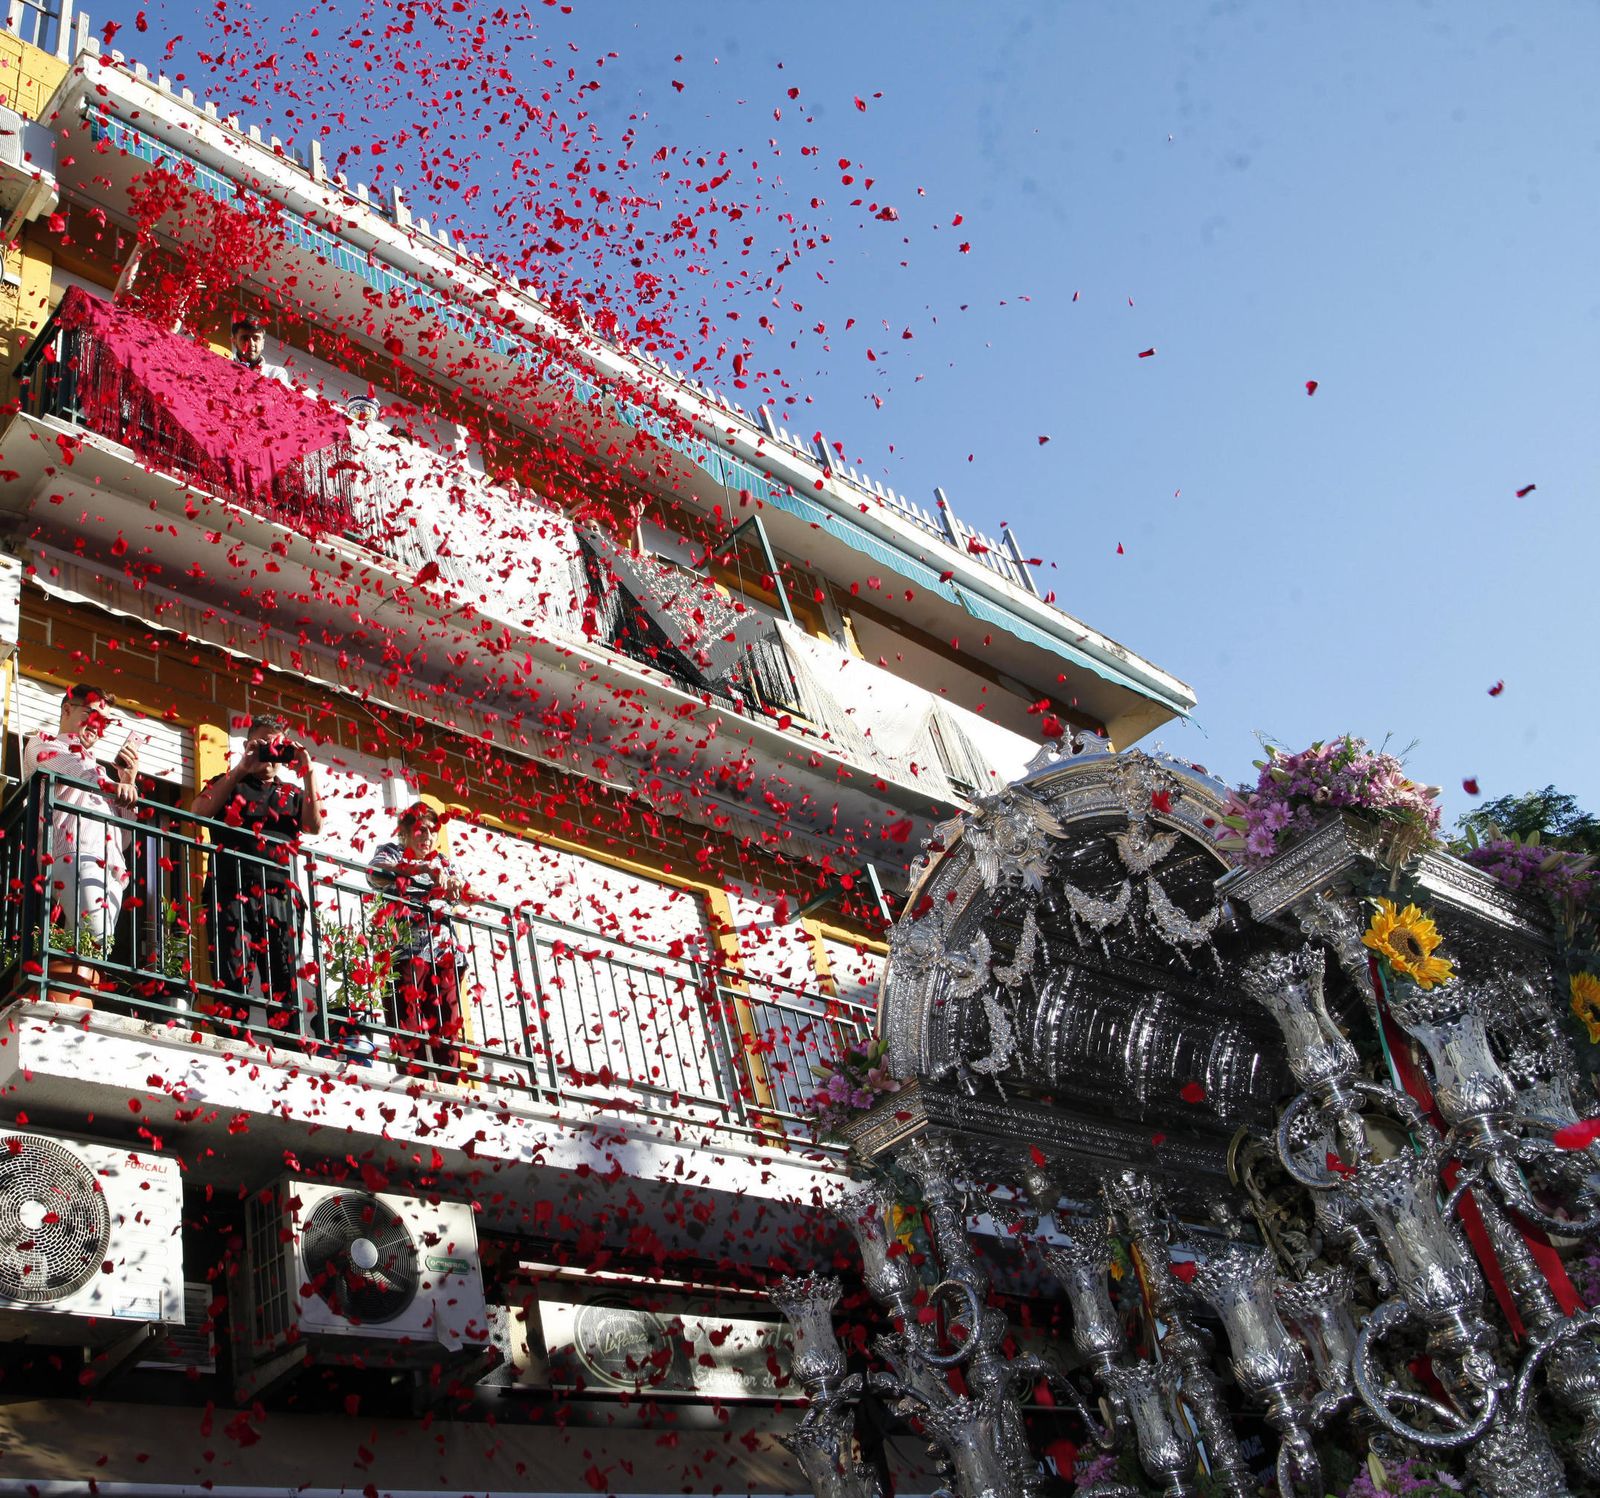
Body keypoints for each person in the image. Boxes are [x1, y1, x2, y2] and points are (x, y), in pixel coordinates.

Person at [192, 714, 323, 1039]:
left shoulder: (291, 794)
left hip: (281, 899)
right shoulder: (228, 782)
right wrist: (241, 768)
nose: (269, 752)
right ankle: (232, 1043)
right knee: (231, 977)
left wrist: (308, 772)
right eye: (262, 743)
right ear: (249, 744)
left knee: (284, 981)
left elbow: (314, 826)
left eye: (276, 744)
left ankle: (290, 1050)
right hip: (230, 893)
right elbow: (197, 812)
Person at [21, 685, 139, 952]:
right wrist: (113, 786)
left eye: (105, 722)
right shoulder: (43, 742)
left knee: (91, 945)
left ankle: (64, 989)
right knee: (95, 942)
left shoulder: (101, 773)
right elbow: (74, 771)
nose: (99, 727)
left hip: (111, 864)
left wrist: (127, 783)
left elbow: (126, 837)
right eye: (93, 715)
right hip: (74, 853)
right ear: (67, 709)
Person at [367, 803, 471, 1077]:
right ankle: (414, 1083)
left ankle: (448, 1086)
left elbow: (466, 898)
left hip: (445, 954)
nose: (427, 835)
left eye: (432, 830)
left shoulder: (446, 862)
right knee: (407, 1020)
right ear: (405, 831)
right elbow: (375, 872)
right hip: (405, 951)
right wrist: (421, 867)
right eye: (421, 828)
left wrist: (461, 892)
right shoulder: (391, 852)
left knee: (446, 1024)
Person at [229, 315, 290, 386]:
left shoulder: (276, 373)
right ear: (234, 341)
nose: (251, 344)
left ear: (263, 343)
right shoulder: (225, 366)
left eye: (256, 338)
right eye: (245, 338)